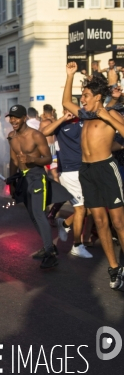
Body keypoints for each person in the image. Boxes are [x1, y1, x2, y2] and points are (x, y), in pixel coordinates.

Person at [62, 62, 124, 291]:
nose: (83, 99)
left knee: (118, 222)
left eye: (86, 95)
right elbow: (66, 102)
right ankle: (114, 267)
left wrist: (108, 116)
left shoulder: (112, 112)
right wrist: (69, 76)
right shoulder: (85, 115)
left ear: (98, 97)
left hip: (106, 169)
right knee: (100, 221)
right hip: (86, 171)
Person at [6, 105, 72, 268]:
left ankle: (50, 254)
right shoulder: (11, 137)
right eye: (11, 117)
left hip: (37, 177)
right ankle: (49, 246)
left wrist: (31, 160)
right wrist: (11, 181)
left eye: (16, 117)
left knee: (39, 213)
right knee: (33, 216)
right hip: (22, 179)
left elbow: (48, 158)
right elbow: (13, 159)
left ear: (24, 118)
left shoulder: (36, 135)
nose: (13, 120)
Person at [40, 112, 93, 258]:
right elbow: (44, 132)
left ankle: (65, 223)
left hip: (85, 169)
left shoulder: (84, 121)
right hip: (69, 172)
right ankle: (77, 245)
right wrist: (63, 118)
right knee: (81, 208)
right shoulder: (60, 125)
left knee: (95, 207)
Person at [39, 104, 60, 182]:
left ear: (44, 112)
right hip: (54, 147)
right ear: (52, 111)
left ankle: (45, 190)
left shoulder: (43, 123)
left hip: (46, 147)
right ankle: (59, 190)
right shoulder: (56, 121)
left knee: (45, 171)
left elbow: (39, 134)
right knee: (55, 173)